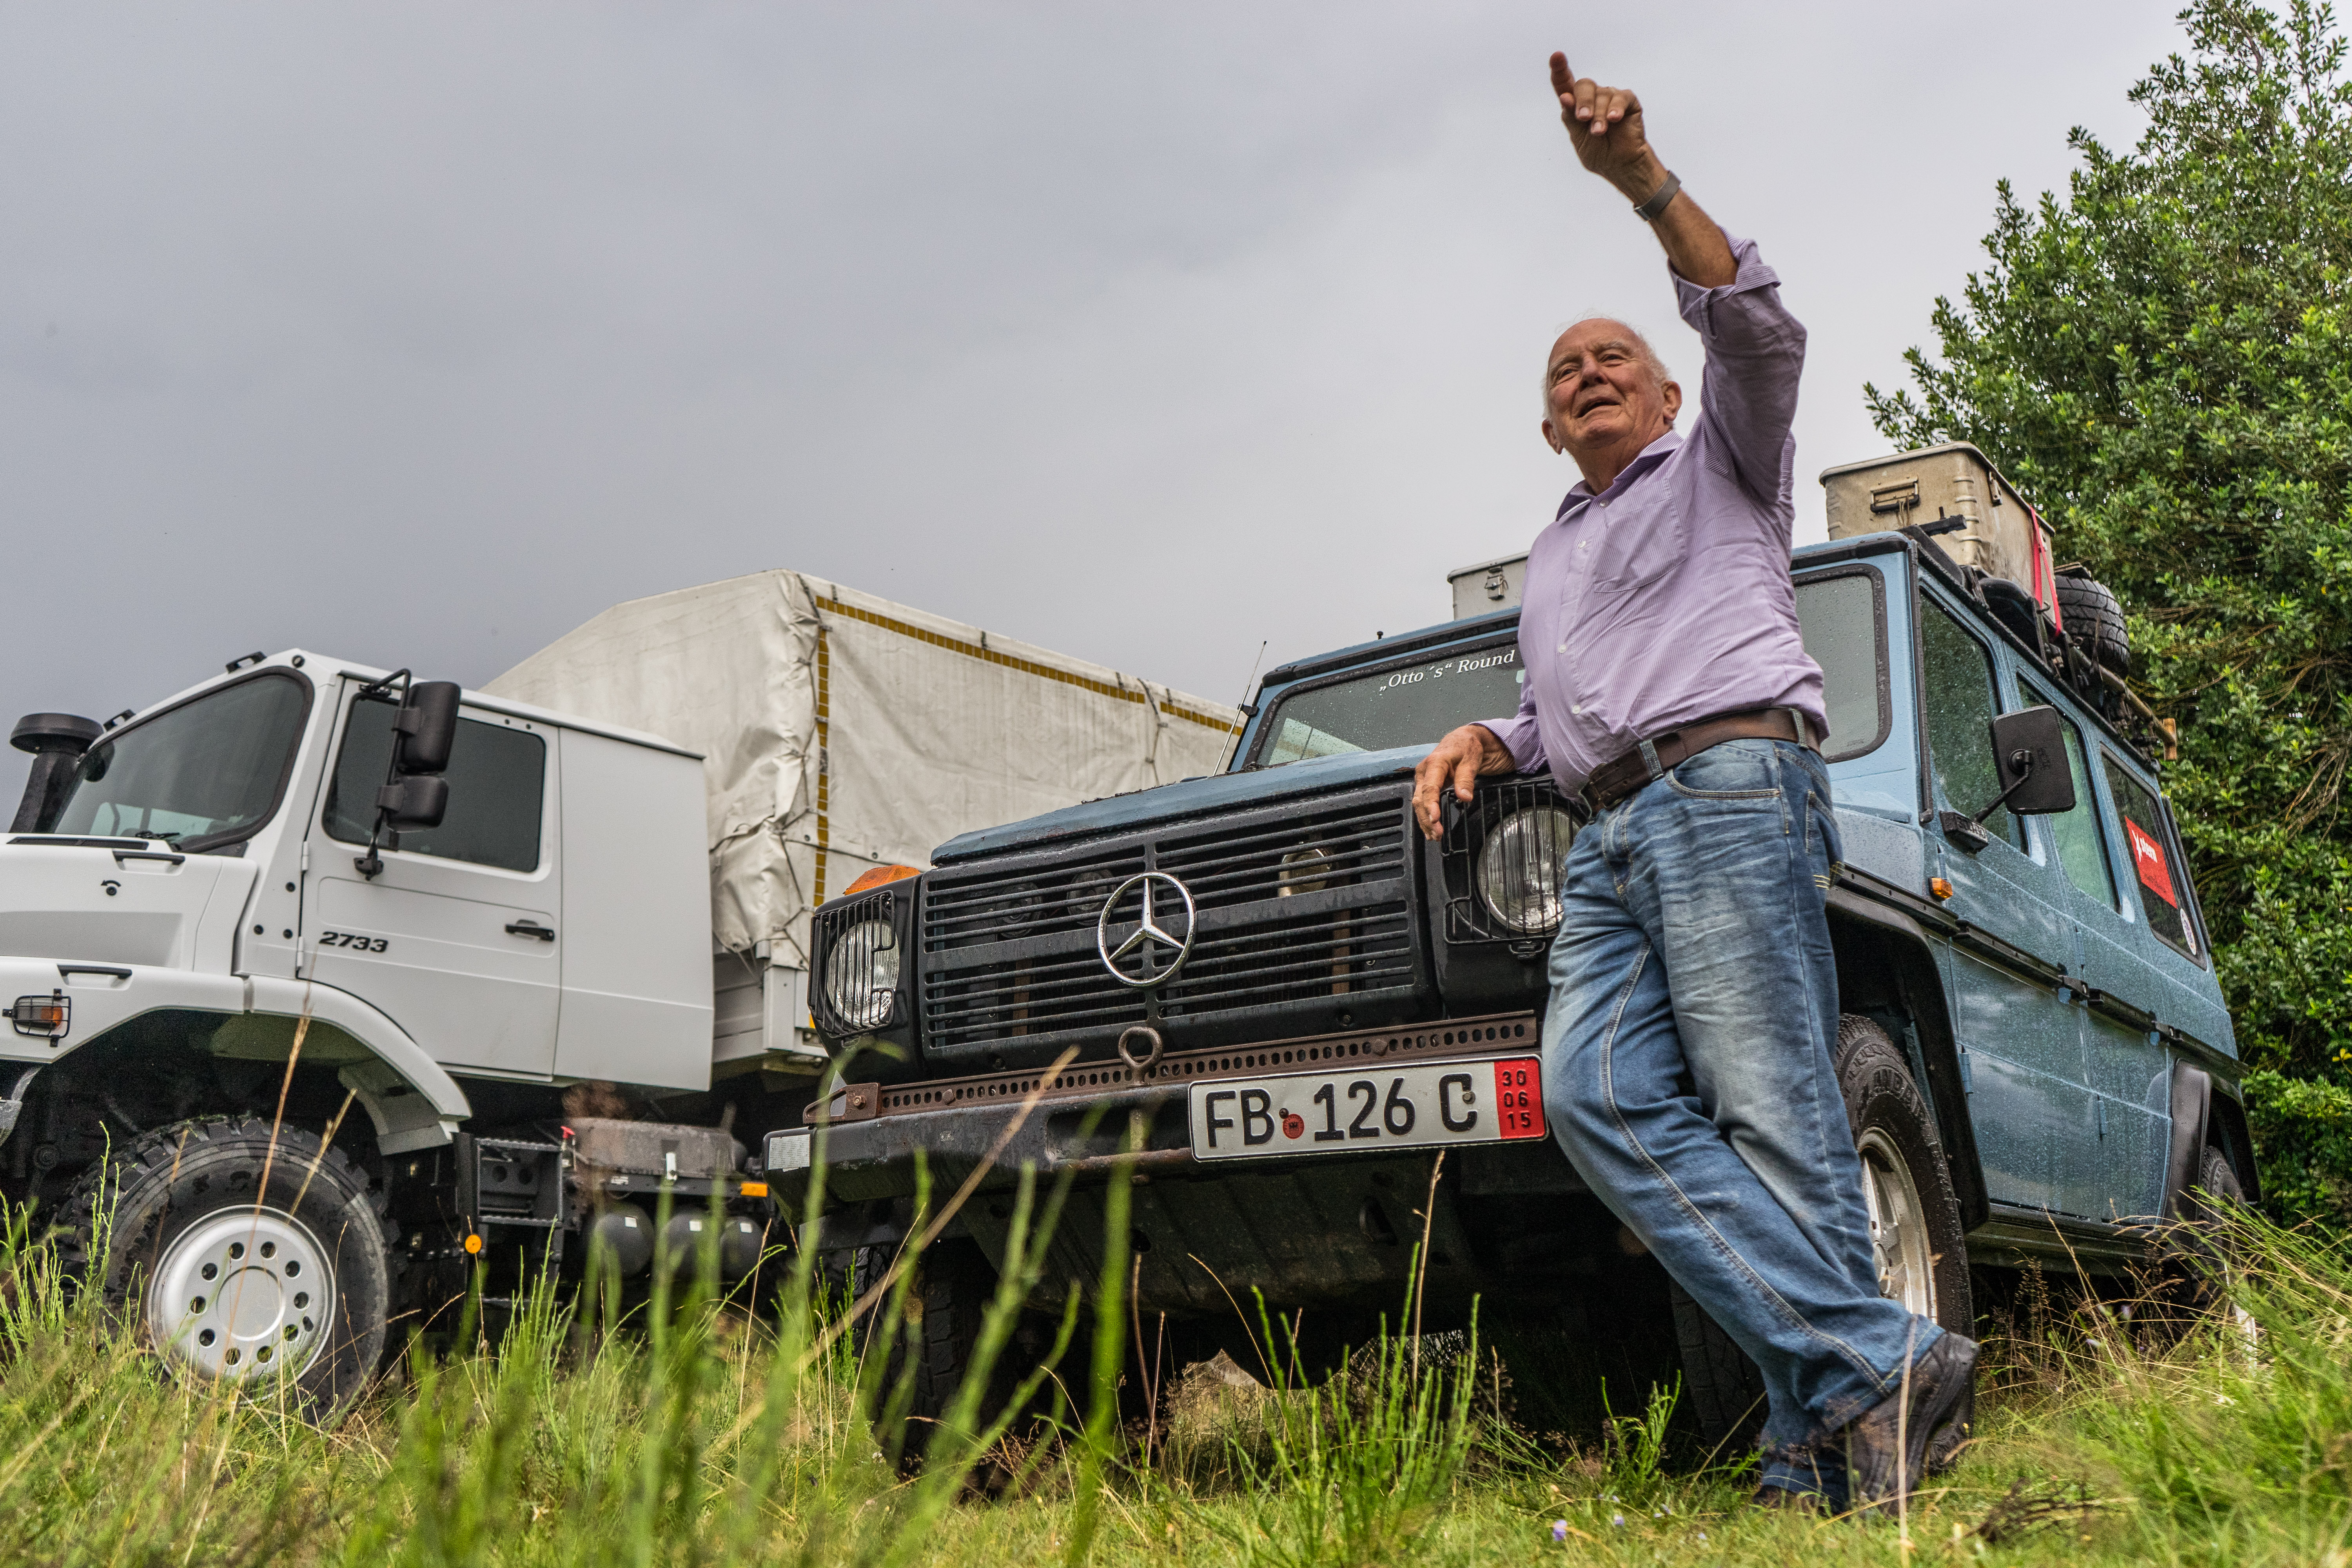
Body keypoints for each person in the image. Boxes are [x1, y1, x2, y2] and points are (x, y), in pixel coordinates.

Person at [1410, 53, 1976, 1515]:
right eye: (1562, 372)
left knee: (1772, 1113)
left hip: (1728, 789)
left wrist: (1642, 184)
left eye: (1613, 359)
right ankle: (1883, 1366)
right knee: (1595, 1098)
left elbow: (1760, 323)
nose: (1586, 373)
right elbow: (1560, 706)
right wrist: (1492, 739)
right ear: (1546, 428)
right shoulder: (1548, 556)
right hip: (1605, 834)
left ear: (1667, 392)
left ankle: (1823, 1453)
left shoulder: (1726, 457)